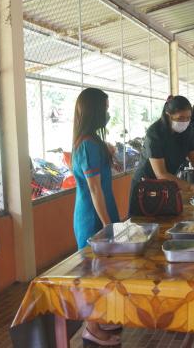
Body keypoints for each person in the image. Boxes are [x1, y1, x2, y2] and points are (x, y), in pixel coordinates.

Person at [71, 88, 121, 346]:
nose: (107, 113)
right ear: (94, 111)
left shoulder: (91, 142)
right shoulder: (88, 144)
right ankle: (91, 328)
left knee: (102, 271)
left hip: (101, 211)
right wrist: (106, 224)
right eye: (105, 108)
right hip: (92, 216)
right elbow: (94, 189)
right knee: (92, 274)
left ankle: (99, 319)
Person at [129, 95, 194, 213]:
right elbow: (161, 174)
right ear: (168, 115)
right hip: (145, 186)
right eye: (180, 118)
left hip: (167, 185)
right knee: (144, 225)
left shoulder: (188, 130)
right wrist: (190, 187)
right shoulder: (155, 133)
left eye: (188, 118)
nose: (184, 122)